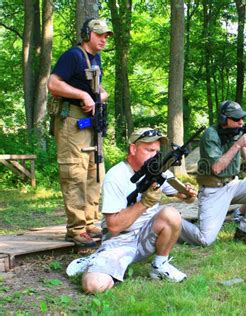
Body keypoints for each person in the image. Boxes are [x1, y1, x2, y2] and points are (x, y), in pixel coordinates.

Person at [67, 128, 197, 293]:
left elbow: (184, 195)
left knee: (171, 214)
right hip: (119, 241)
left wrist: (189, 194)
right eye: (149, 150)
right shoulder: (116, 176)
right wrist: (145, 203)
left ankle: (160, 265)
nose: (154, 155)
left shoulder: (159, 170)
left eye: (156, 151)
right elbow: (113, 227)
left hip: (146, 238)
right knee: (95, 286)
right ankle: (98, 261)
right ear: (133, 149)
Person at [47, 18, 113, 247]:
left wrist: (100, 96)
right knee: (74, 172)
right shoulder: (73, 56)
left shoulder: (96, 59)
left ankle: (89, 221)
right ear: (87, 35)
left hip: (90, 122)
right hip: (72, 121)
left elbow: (99, 89)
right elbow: (53, 84)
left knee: (95, 171)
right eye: (100, 35)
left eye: (106, 36)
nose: (104, 39)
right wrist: (82, 96)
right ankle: (75, 229)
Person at [180, 101, 246, 246]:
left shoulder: (236, 130)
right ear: (223, 119)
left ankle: (245, 233)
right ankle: (172, 222)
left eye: (241, 118)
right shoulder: (211, 135)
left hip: (233, 184)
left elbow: (242, 140)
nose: (241, 122)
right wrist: (237, 145)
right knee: (204, 239)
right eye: (236, 119)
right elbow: (216, 168)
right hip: (214, 190)